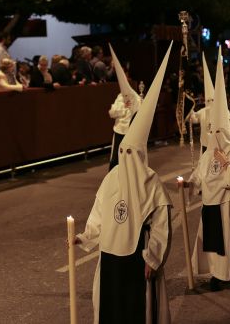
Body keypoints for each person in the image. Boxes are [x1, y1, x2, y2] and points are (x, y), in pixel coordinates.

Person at [73, 43, 173, 324]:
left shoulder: (151, 182)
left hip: (137, 257)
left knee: (137, 309)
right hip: (110, 255)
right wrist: (85, 237)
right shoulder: (111, 178)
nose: (126, 158)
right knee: (110, 307)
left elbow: (162, 224)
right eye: (123, 153)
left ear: (140, 154)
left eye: (132, 153)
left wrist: (153, 259)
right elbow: (100, 213)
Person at [187, 46, 230, 292]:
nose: (214, 136)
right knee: (210, 241)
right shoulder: (209, 150)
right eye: (211, 132)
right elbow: (200, 174)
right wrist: (188, 184)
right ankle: (214, 273)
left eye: (218, 132)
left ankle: (225, 276)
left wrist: (226, 165)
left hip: (226, 203)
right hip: (209, 203)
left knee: (224, 242)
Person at [107, 44, 142, 171]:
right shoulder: (119, 96)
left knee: (129, 162)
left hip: (129, 133)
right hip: (119, 130)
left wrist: (128, 109)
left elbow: (137, 116)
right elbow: (111, 112)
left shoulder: (137, 99)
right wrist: (123, 109)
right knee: (115, 159)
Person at [190, 53, 214, 154]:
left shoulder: (221, 111)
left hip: (216, 146)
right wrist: (189, 108)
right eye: (208, 100)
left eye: (212, 100)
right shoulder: (203, 111)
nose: (210, 103)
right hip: (205, 144)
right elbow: (194, 119)